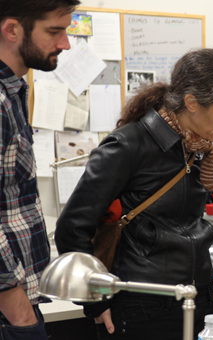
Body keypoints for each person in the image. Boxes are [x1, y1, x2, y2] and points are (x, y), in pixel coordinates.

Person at [55, 48, 213, 340]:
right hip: (142, 304)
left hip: (197, 298)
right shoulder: (127, 145)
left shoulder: (197, 147)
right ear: (192, 103)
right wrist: (94, 302)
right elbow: (72, 228)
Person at [0, 0, 79, 338]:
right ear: (12, 30)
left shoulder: (15, 91)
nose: (65, 43)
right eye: (54, 31)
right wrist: (13, 302)